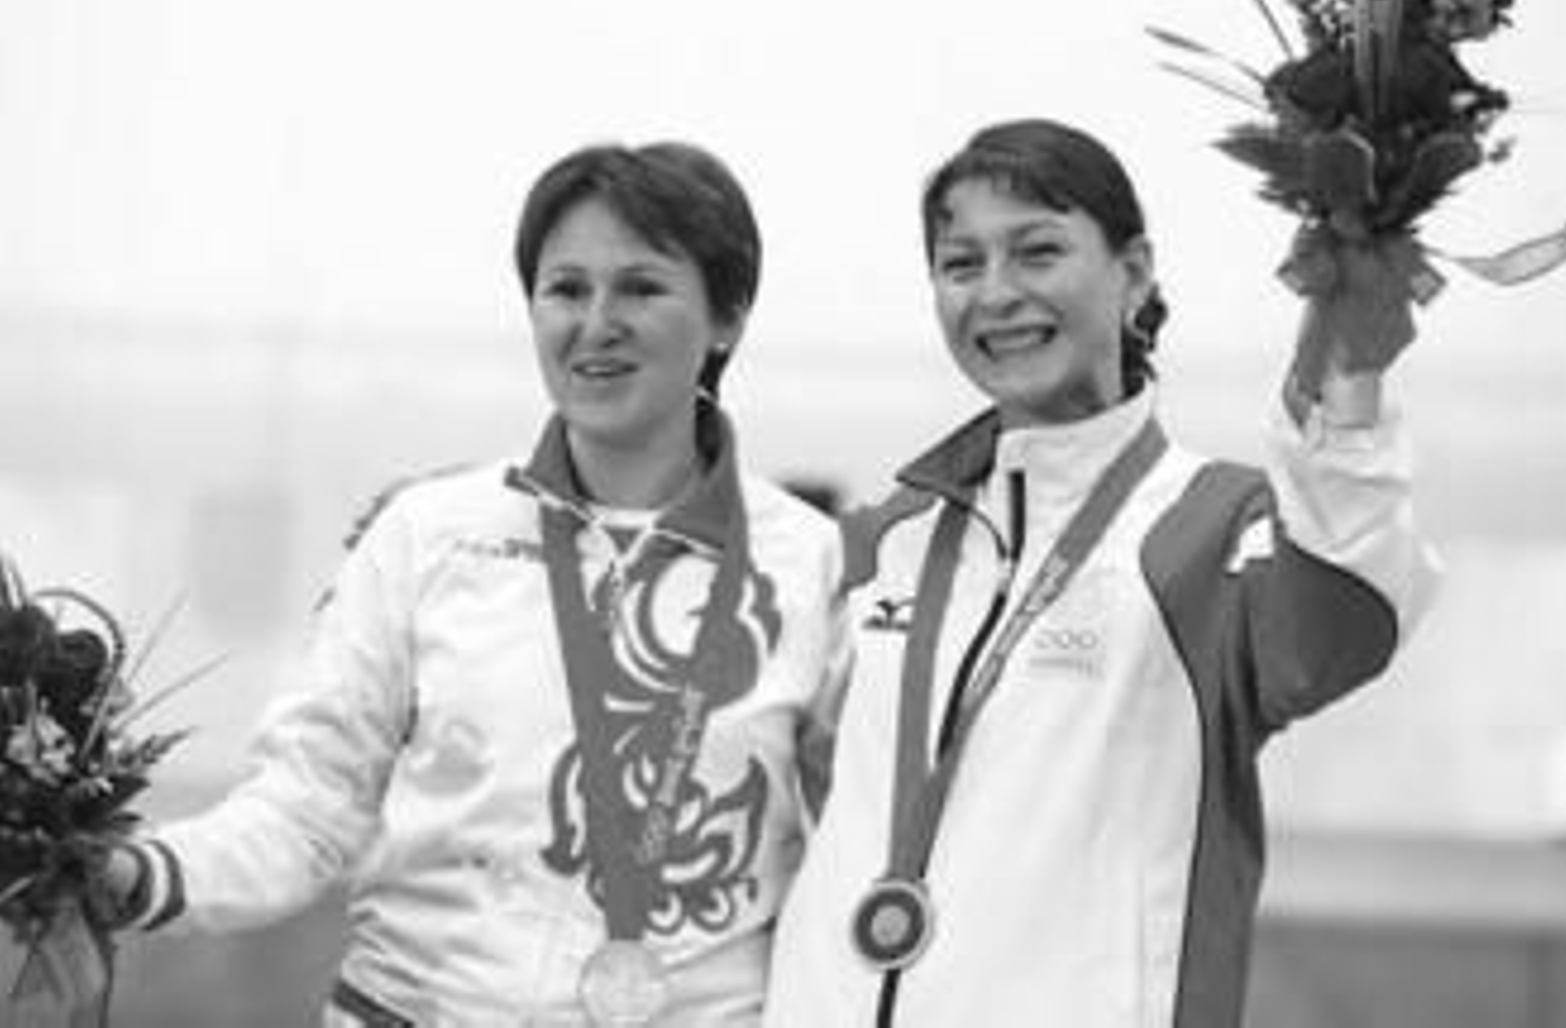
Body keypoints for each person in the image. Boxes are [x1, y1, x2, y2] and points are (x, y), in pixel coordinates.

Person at [98, 140, 849, 1026]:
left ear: (727, 316)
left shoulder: (816, 567)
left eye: (641, 287)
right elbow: (308, 804)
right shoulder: (430, 533)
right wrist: (131, 873)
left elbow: (855, 854)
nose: (596, 321)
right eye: (566, 288)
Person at [764, 119, 1440, 1028]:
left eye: (1037, 252)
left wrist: (1351, 373)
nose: (996, 294)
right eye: (961, 264)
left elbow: (1336, 628)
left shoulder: (1213, 528)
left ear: (1136, 271)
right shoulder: (881, 543)